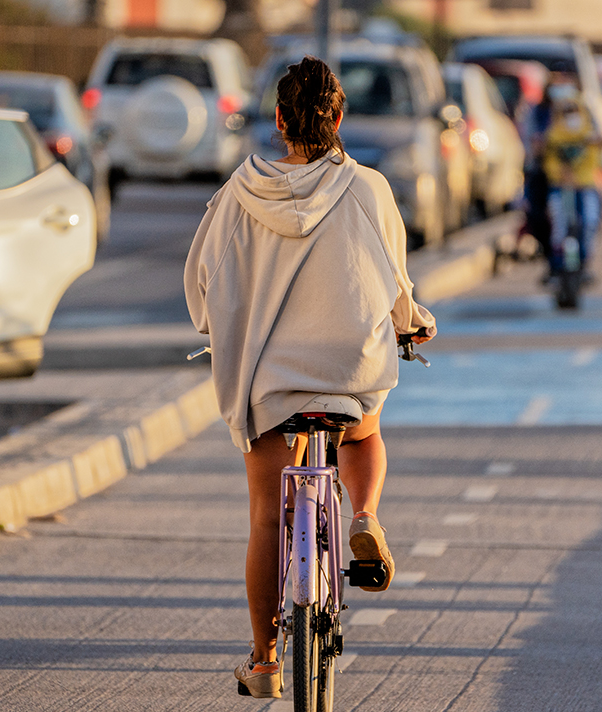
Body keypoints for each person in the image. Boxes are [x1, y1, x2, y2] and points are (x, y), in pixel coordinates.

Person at [184, 56, 436, 700]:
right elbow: (393, 281)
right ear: (339, 116)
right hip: (348, 370)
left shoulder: (237, 194)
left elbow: (201, 286)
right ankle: (367, 515)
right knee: (364, 431)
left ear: (277, 120)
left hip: (267, 385)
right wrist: (412, 322)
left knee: (267, 514)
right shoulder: (369, 189)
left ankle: (266, 659)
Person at [542, 79, 602, 281]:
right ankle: (557, 264)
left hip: (584, 187)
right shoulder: (552, 138)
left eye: (573, 111)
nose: (571, 116)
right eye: (566, 112)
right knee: (559, 224)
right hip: (561, 188)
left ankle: (584, 262)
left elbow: (595, 161)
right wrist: (561, 175)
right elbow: (549, 163)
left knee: (591, 220)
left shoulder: (589, 135)